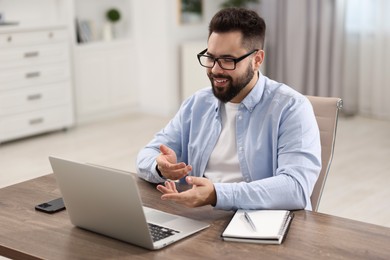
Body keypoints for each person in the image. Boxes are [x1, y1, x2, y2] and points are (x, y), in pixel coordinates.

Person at [136, 7, 321, 211]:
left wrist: (217, 194)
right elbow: (148, 153)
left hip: (262, 223)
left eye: (228, 60)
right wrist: (160, 167)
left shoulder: (292, 108)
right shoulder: (197, 103)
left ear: (257, 60)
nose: (215, 69)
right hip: (202, 216)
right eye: (211, 57)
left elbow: (295, 187)